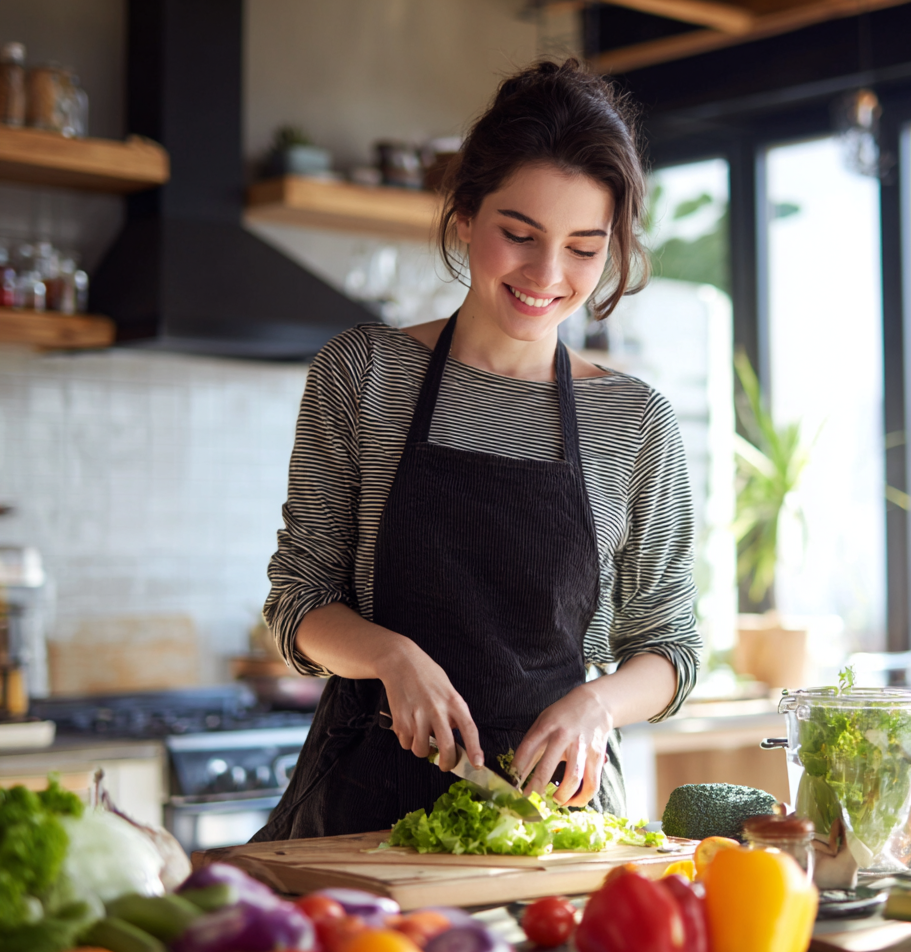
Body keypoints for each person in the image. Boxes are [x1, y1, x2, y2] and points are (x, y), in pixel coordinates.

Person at [252, 58, 701, 841]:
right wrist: (393, 659)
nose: (548, 275)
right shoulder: (364, 374)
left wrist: (597, 705)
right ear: (464, 216)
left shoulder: (635, 420)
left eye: (584, 248)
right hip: (365, 808)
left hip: (552, 824)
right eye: (518, 235)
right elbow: (298, 603)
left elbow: (670, 648)